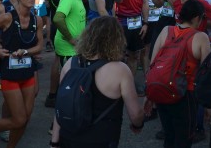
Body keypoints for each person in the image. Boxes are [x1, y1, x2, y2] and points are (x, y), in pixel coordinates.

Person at [51, 16, 144, 148]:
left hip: (68, 138)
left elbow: (61, 106)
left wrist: (54, 142)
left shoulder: (70, 64)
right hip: (102, 140)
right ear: (117, 40)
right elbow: (135, 114)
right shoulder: (120, 70)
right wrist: (137, 125)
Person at [0, 0, 43, 146]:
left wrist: (26, 52)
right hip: (10, 73)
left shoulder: (37, 20)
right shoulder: (8, 17)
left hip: (28, 71)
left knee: (25, 118)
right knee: (18, 119)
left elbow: (39, 46)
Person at [151, 0, 211, 148]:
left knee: (169, 136)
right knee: (183, 139)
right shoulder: (201, 37)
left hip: (162, 89)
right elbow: (206, 75)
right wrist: (208, 105)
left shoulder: (166, 30)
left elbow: (153, 63)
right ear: (197, 18)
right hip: (185, 94)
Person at [52, 0, 87, 66]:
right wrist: (70, 38)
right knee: (69, 74)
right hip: (68, 49)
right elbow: (57, 19)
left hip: (74, 47)